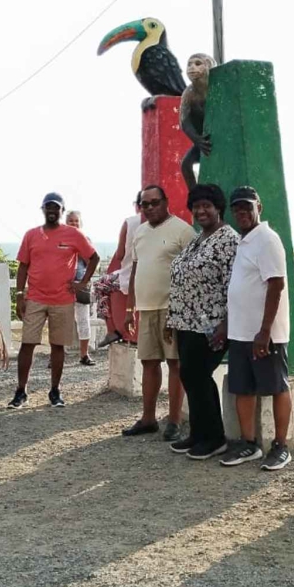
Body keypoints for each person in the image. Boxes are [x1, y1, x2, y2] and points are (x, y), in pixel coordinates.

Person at [221, 186, 294, 471]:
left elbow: (276, 285)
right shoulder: (245, 241)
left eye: (247, 207)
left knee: (277, 387)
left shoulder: (267, 239)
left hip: (264, 334)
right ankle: (249, 444)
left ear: (258, 208)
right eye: (237, 208)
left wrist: (265, 332)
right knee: (243, 389)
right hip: (240, 332)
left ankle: (281, 446)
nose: (242, 213)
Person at [167, 184, 241, 459]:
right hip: (187, 321)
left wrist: (226, 324)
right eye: (196, 206)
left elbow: (234, 284)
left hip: (211, 323)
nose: (201, 211)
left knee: (199, 375)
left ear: (218, 208)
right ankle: (198, 433)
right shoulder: (199, 238)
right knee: (189, 375)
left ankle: (214, 438)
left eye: (206, 206)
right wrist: (172, 318)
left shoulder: (228, 240)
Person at [12, 193, 99, 409]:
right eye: (48, 207)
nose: (52, 210)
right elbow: (23, 265)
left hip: (62, 299)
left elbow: (93, 257)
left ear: (62, 210)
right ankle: (21, 391)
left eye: (56, 207)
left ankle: (55, 391)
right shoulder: (31, 235)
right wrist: (20, 295)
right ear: (42, 209)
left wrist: (83, 282)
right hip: (35, 298)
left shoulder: (73, 234)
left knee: (58, 345)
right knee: (27, 344)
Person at [122, 184, 195, 440]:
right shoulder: (140, 232)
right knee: (149, 362)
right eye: (145, 204)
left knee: (175, 363)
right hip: (146, 308)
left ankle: (174, 420)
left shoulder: (183, 231)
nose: (150, 208)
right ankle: (148, 418)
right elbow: (136, 269)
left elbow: (192, 272)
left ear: (166, 202)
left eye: (155, 202)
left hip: (171, 308)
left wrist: (182, 308)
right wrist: (129, 307)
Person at [97, 194, 143, 347]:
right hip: (149, 275)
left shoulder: (129, 222)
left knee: (100, 285)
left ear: (137, 205)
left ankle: (112, 329)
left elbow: (120, 254)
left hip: (129, 275)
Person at [65, 210, 97, 366]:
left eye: (76, 221)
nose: (74, 223)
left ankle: (84, 354)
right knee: (59, 321)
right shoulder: (60, 240)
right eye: (71, 221)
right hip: (62, 286)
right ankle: (55, 356)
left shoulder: (86, 240)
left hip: (80, 284)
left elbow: (91, 262)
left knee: (83, 320)